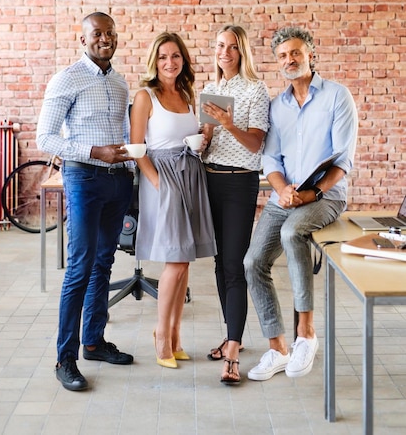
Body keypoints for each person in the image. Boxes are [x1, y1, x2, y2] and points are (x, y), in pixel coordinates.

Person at [244, 25, 358, 382]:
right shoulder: (277, 106)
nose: (288, 60)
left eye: (295, 53)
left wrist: (311, 193)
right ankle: (278, 347)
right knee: (253, 261)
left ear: (311, 55)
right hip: (286, 194)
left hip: (326, 196)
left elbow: (343, 160)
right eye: (281, 56)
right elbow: (271, 159)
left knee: (294, 233)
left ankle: (306, 335)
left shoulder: (338, 97)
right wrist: (281, 190)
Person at [36, 12, 135, 392]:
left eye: (110, 33)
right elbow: (46, 138)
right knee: (79, 266)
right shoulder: (67, 79)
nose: (104, 39)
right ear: (83, 39)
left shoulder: (121, 82)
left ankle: (93, 341)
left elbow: (123, 132)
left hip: (117, 181)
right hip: (83, 178)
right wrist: (95, 151)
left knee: (103, 262)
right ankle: (65, 357)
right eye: (97, 34)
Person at [130, 31, 217, 369]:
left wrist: (204, 138)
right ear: (155, 61)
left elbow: (191, 140)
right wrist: (158, 184)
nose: (170, 62)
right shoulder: (145, 96)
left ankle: (177, 336)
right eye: (164, 57)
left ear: (184, 60)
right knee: (175, 260)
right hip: (163, 178)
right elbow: (137, 148)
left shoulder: (188, 93)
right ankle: (161, 335)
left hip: (192, 174)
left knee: (186, 260)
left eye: (176, 56)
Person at [201, 24, 270, 385]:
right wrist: (204, 136)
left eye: (231, 47)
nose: (224, 53)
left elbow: (256, 144)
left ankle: (232, 350)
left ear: (242, 52)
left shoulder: (256, 90)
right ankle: (233, 336)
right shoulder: (210, 90)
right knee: (218, 261)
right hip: (208, 178)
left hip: (239, 183)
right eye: (219, 46)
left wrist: (227, 124)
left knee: (234, 264)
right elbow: (206, 144)